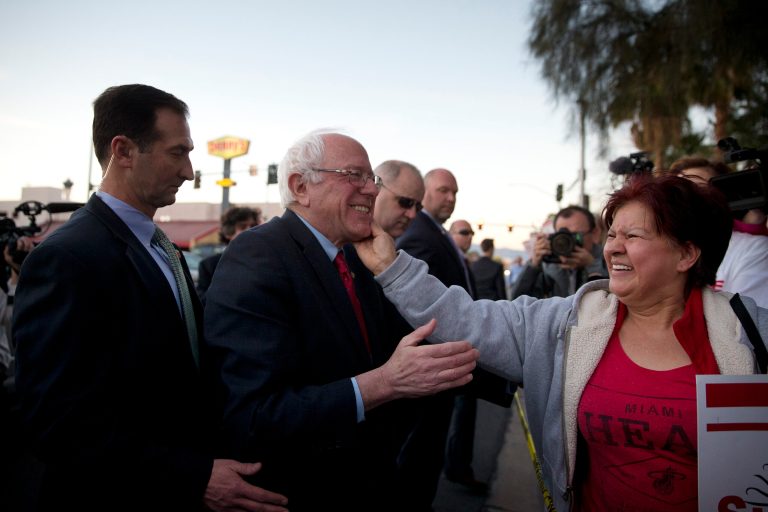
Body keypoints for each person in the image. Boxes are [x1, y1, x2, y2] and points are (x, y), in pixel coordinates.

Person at [355, 173, 768, 512]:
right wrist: (392, 268)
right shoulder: (563, 323)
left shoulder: (750, 334)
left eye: (634, 236)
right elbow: (468, 318)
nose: (612, 248)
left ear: (687, 255)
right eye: (611, 234)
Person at [11, 84, 288, 512]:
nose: (190, 171)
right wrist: (192, 476)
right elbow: (56, 421)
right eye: (177, 153)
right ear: (123, 151)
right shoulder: (67, 257)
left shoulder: (160, 247)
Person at [203, 130, 478, 511]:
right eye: (355, 175)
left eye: (373, 179)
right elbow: (255, 413)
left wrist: (530, 359)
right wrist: (383, 383)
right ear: (301, 187)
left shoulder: (355, 257)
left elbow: (417, 341)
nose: (371, 190)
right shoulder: (258, 257)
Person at [396, 170, 511, 506]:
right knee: (419, 453)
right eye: (443, 190)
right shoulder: (419, 234)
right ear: (424, 192)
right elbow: (409, 303)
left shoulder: (436, 233)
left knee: (429, 451)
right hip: (430, 365)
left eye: (455, 192)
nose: (450, 197)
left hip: (444, 366)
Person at [670, 156, 768, 309]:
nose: (688, 198)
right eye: (678, 191)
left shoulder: (752, 248)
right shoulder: (651, 248)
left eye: (701, 189)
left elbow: (743, 323)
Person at [512, 205, 607, 299]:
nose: (566, 242)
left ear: (595, 234)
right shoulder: (550, 264)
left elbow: (608, 302)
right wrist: (533, 265)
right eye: (561, 235)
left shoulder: (609, 261)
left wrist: (592, 266)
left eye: (576, 235)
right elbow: (518, 301)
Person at [196, 205, 261, 301]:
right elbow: (202, 302)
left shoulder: (264, 261)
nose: (249, 230)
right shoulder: (209, 265)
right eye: (242, 227)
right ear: (228, 232)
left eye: (253, 226)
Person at [372, 159, 424, 238]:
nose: (412, 215)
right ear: (376, 188)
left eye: (418, 207)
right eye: (406, 202)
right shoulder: (347, 245)